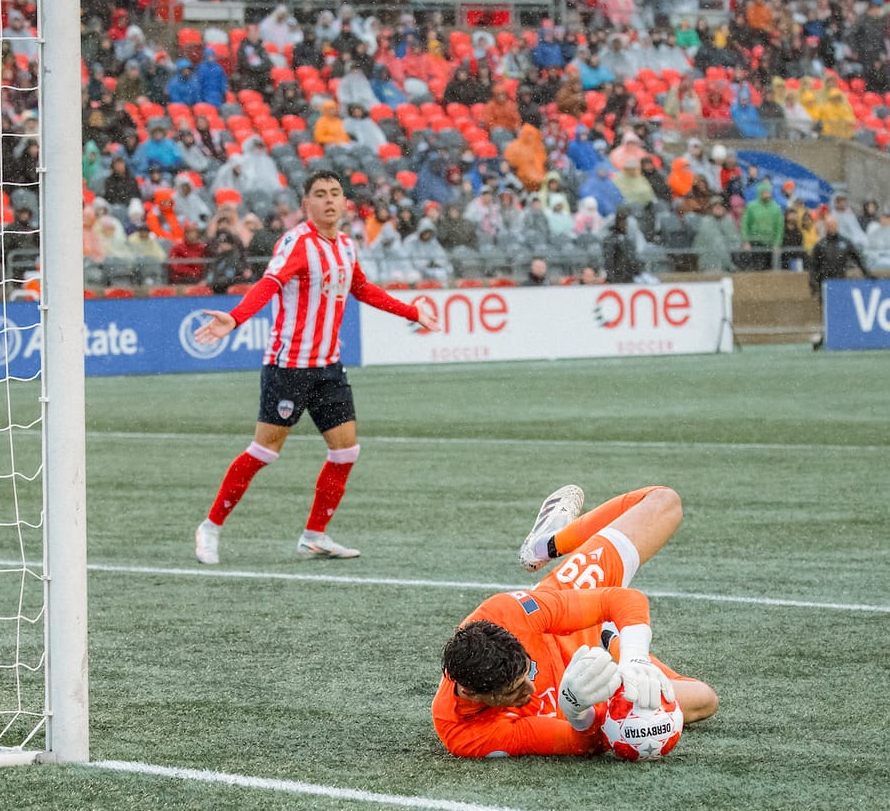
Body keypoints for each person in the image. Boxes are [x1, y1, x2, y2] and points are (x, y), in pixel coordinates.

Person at [191, 170, 441, 565]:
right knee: (264, 451)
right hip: (288, 367)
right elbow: (269, 284)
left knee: (345, 451)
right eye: (320, 194)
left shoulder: (346, 245)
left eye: (335, 193)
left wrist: (412, 312)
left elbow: (361, 288)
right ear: (306, 203)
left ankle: (313, 536)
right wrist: (236, 318)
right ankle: (210, 526)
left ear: (344, 202)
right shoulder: (297, 243)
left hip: (329, 367)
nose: (329, 200)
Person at [433, 484, 719, 758]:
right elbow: (582, 743)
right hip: (594, 687)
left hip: (567, 617)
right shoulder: (465, 733)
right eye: (514, 690)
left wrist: (634, 657)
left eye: (527, 673)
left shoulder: (508, 614)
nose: (530, 689)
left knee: (663, 501)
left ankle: (547, 544)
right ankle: (612, 642)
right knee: (704, 699)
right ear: (471, 693)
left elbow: (624, 600)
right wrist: (578, 712)